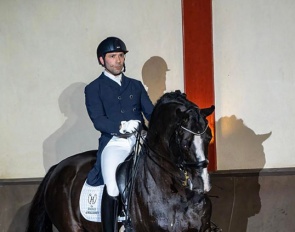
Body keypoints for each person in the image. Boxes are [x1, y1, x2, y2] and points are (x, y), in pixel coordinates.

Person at [84, 37, 154, 231]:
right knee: (113, 186)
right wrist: (121, 127)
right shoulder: (93, 88)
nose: (118, 60)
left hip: (141, 140)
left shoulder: (136, 85)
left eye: (121, 55)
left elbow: (151, 114)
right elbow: (98, 119)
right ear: (102, 60)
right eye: (112, 56)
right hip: (115, 142)